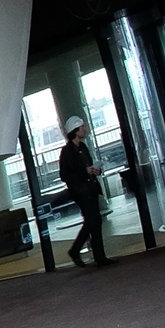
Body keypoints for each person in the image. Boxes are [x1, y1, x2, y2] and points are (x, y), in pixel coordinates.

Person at [59, 115, 111, 268]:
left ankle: (89, 253)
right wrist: (85, 171)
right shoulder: (67, 152)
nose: (85, 129)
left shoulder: (82, 147)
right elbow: (64, 175)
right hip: (81, 191)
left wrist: (95, 171)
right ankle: (93, 255)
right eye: (82, 127)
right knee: (93, 220)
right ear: (75, 130)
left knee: (93, 221)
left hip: (89, 189)